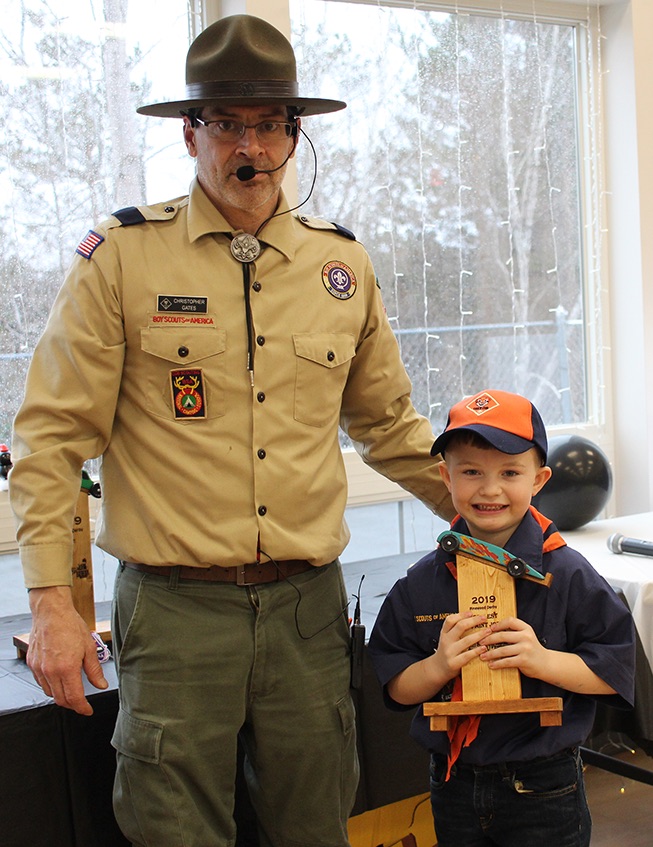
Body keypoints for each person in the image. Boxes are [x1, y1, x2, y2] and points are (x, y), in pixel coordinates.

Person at [8, 14, 454, 847]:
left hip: (305, 612)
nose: (248, 146)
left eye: (267, 125)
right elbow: (50, 437)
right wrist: (51, 603)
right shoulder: (121, 257)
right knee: (173, 830)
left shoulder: (340, 267)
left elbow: (389, 425)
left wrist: (497, 521)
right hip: (175, 614)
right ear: (190, 135)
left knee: (315, 824)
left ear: (294, 135)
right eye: (226, 124)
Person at [368, 388, 635, 847]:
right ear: (444, 476)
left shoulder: (567, 573)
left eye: (510, 472)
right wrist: (438, 666)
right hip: (453, 783)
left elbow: (614, 672)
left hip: (545, 784)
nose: (489, 489)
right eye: (470, 471)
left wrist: (540, 660)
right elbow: (396, 685)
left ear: (539, 479)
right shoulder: (421, 582)